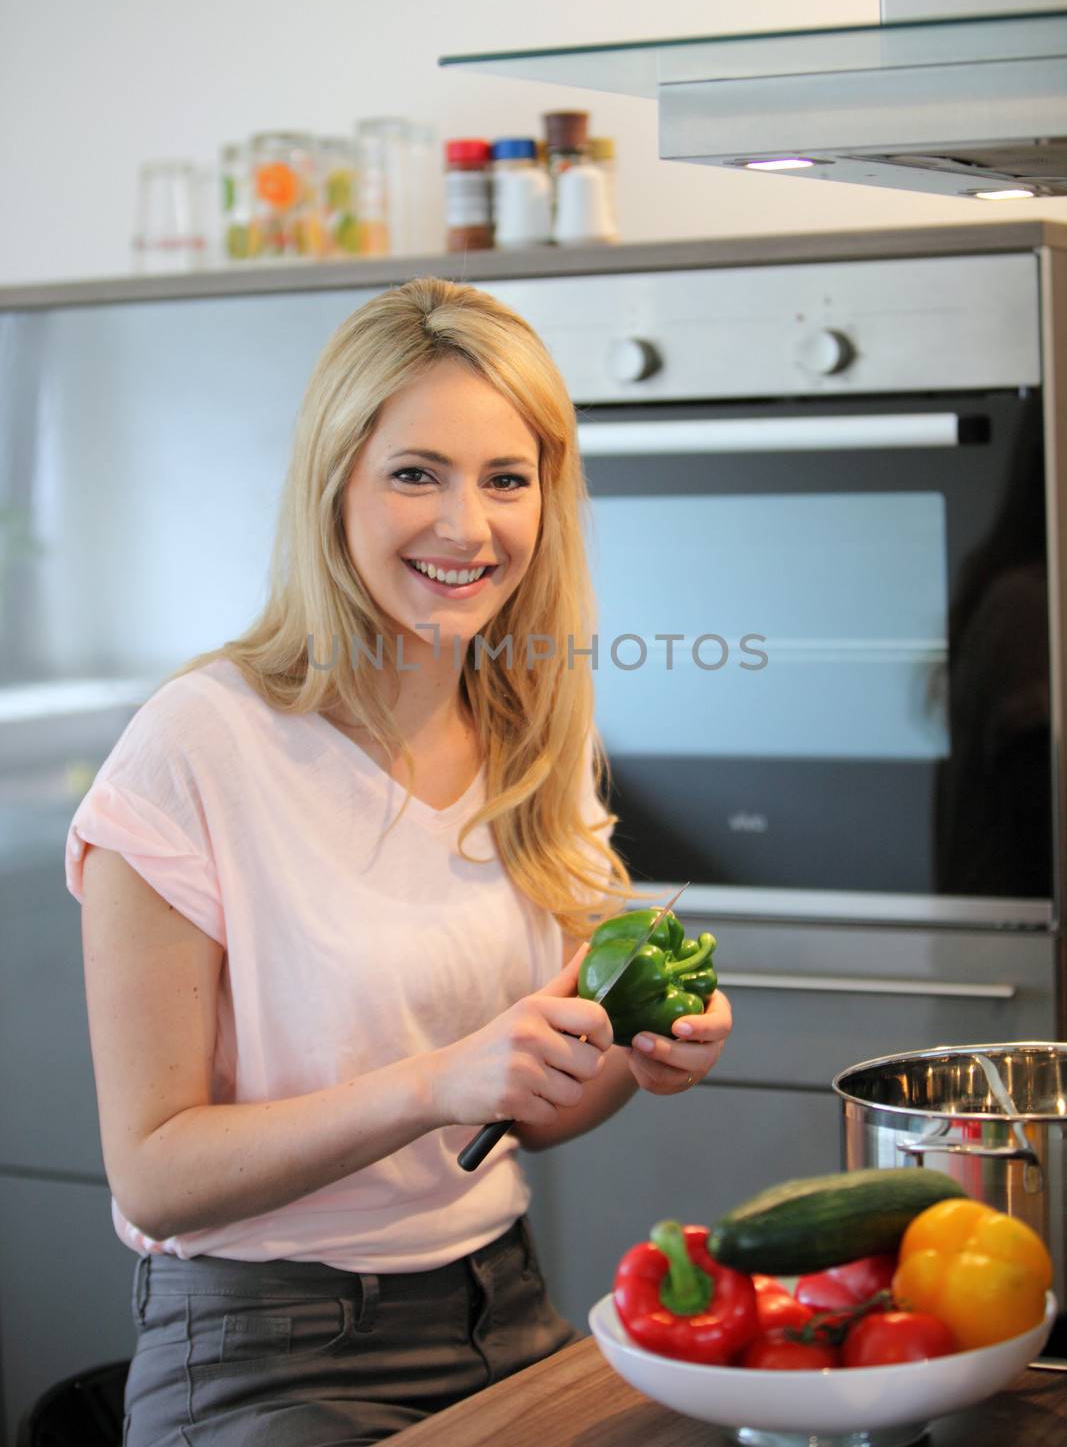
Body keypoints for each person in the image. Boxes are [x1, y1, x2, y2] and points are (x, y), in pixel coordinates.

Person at [66, 277, 733, 1446]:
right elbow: (154, 1175)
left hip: (507, 1302)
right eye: (414, 472)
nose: (465, 528)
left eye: (505, 478)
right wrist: (438, 1080)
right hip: (262, 1356)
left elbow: (528, 1110)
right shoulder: (198, 744)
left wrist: (636, 1048)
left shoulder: (530, 735)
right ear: (336, 487)